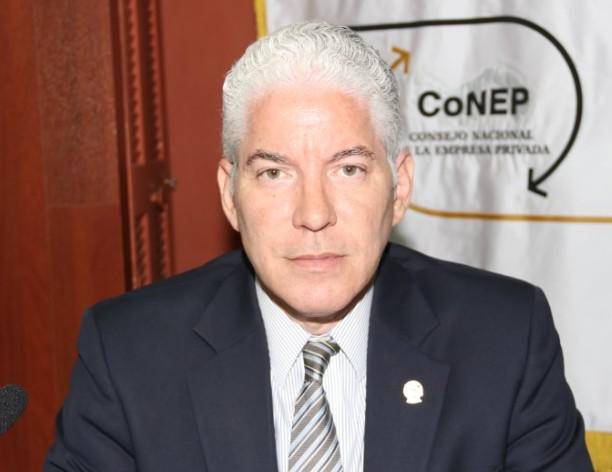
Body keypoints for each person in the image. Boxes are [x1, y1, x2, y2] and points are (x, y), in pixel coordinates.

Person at [45, 21, 593, 471]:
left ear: (399, 188)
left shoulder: (505, 339)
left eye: (348, 168)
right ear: (230, 195)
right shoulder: (128, 354)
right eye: (274, 173)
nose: (313, 214)